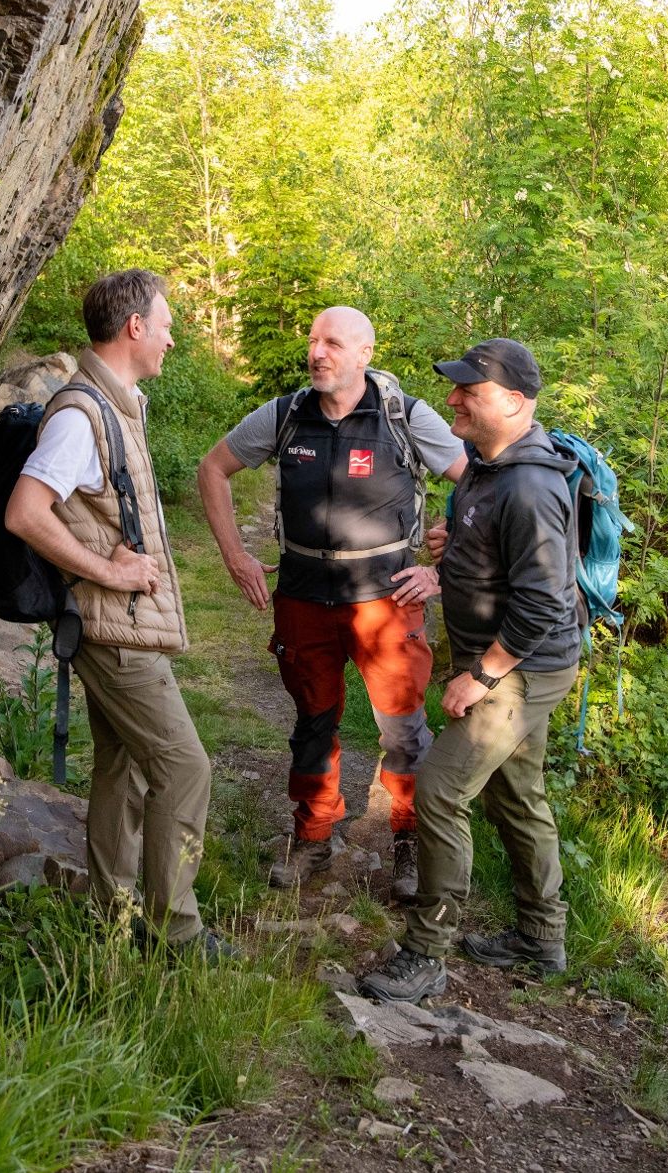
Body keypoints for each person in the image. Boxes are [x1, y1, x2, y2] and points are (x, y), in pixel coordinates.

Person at [196, 307, 466, 899]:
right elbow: (213, 468)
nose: (318, 353)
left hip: (387, 601)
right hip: (302, 596)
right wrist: (236, 556)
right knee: (313, 722)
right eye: (314, 341)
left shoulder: (404, 416)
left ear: (365, 354)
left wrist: (441, 567)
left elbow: (478, 482)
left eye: (334, 343)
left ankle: (410, 844)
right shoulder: (287, 414)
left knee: (402, 730)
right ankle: (312, 837)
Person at [5, 269, 230, 960]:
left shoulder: (120, 402)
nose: (171, 334)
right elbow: (25, 512)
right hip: (110, 625)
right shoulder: (82, 414)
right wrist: (108, 570)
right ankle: (175, 932)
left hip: (117, 619)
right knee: (185, 767)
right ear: (134, 326)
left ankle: (111, 914)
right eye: (165, 322)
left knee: (123, 766)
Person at [357, 338, 580, 1002]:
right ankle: (542, 937)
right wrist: (454, 554)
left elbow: (543, 599)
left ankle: (427, 952)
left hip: (521, 669)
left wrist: (481, 675)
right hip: (513, 660)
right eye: (453, 388)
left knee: (437, 788)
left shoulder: (532, 485)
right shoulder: (489, 466)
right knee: (517, 795)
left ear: (513, 401)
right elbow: (501, 561)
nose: (452, 399)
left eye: (468, 391)